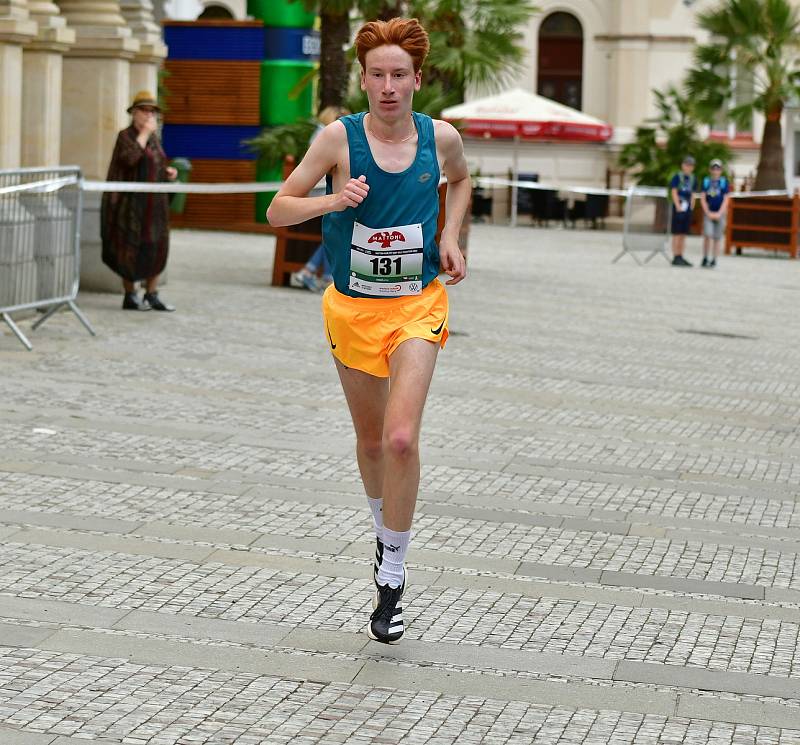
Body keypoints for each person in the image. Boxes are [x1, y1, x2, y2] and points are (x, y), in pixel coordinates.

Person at [267, 17, 470, 645]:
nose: (388, 86)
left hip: (417, 305)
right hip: (353, 310)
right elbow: (278, 209)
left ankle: (394, 572)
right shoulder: (337, 139)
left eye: (399, 76)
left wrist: (452, 236)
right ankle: (384, 536)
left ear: (416, 80)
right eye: (377, 75)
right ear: (363, 79)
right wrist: (333, 201)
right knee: (373, 444)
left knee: (402, 437)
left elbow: (461, 181)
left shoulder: (441, 138)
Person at [101, 90, 178, 311]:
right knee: (130, 246)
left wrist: (168, 172)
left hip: (154, 205)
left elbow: (156, 164)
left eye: (152, 111)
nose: (149, 115)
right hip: (131, 204)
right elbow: (129, 159)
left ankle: (152, 293)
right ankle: (130, 293)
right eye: (144, 110)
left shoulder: (154, 139)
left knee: (156, 245)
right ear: (134, 113)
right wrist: (143, 134)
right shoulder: (126, 136)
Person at [290, 107, 350, 293]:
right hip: (324, 192)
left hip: (325, 192)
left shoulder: (320, 133)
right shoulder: (327, 135)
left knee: (333, 233)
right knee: (335, 233)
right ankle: (321, 275)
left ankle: (313, 272)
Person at [700, 159, 729, 268]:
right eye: (714, 168)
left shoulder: (724, 182)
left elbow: (726, 199)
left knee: (717, 237)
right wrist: (708, 212)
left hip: (719, 213)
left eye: (718, 169)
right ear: (710, 170)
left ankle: (714, 259)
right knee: (707, 235)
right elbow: (703, 198)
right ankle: (705, 257)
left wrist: (719, 213)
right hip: (709, 212)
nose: (716, 171)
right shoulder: (706, 181)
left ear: (721, 170)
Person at [669, 156, 697, 267]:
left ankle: (681, 255)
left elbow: (693, 194)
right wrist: (677, 206)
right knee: (677, 232)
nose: (688, 167)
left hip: (687, 207)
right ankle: (675, 255)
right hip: (679, 206)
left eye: (690, 165)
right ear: (682, 165)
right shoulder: (677, 177)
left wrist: (692, 207)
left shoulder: (693, 179)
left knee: (684, 233)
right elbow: (674, 191)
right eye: (686, 165)